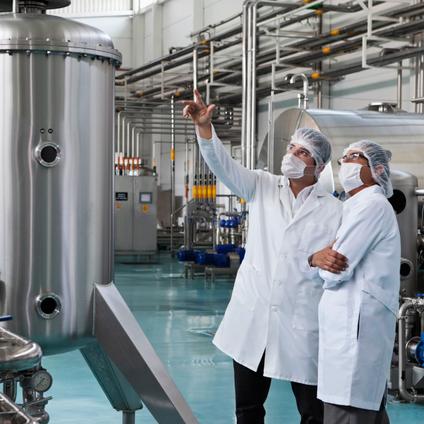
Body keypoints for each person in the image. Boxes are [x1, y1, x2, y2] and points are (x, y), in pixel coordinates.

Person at [182, 90, 346, 424]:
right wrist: (205, 129)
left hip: (302, 321)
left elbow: (338, 265)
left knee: (313, 412)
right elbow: (222, 166)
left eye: (303, 152)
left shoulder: (335, 211)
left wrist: (316, 261)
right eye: (291, 148)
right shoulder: (262, 186)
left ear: (319, 165)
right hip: (254, 316)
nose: (293, 156)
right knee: (248, 409)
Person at [309, 140, 400, 424]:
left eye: (354, 157)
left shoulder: (371, 205)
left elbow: (336, 268)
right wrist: (317, 257)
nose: (345, 163)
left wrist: (321, 261)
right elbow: (328, 258)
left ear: (377, 169)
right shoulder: (356, 206)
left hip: (354, 331)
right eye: (343, 158)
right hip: (350, 329)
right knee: (366, 411)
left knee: (348, 411)